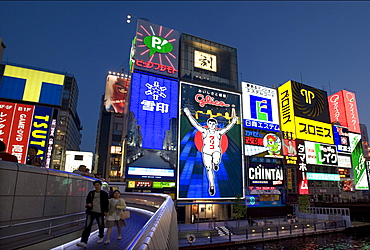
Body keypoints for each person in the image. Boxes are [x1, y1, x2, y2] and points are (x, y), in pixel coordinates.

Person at [183, 107, 237, 196]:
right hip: (206, 152)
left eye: (213, 123)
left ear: (215, 125)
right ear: (208, 124)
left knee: (216, 160)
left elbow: (227, 128)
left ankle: (216, 163)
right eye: (210, 123)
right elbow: (195, 124)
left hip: (216, 150)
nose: (211, 125)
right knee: (208, 168)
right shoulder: (205, 131)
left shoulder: (218, 132)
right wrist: (188, 114)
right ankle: (211, 186)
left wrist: (233, 122)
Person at [76, 180, 109, 248]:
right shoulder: (91, 193)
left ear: (100, 186)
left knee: (101, 225)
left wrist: (106, 211)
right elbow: (87, 200)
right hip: (91, 211)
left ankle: (101, 236)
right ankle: (84, 241)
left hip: (100, 212)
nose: (96, 186)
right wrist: (88, 204)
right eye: (95, 185)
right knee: (87, 226)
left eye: (98, 185)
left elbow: (106, 203)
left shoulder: (104, 194)